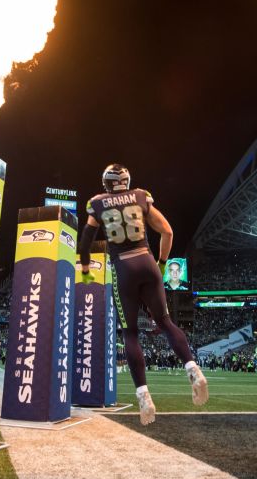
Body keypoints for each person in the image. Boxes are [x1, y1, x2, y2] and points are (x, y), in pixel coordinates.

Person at [77, 163, 207, 425]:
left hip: (122, 266)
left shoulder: (97, 203)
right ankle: (192, 368)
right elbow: (167, 231)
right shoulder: (140, 196)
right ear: (126, 180)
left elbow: (86, 240)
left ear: (106, 183)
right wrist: (160, 262)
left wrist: (87, 268)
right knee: (166, 323)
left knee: (130, 333)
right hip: (147, 261)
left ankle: (143, 395)